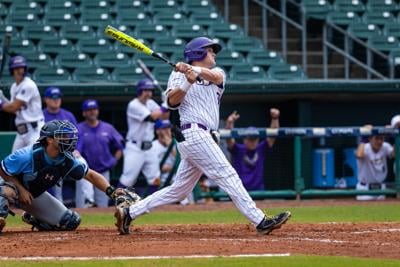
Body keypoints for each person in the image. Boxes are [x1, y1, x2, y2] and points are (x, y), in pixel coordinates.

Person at [114, 36, 291, 235]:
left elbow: (215, 78)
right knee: (228, 174)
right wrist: (187, 83)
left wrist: (194, 71)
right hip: (193, 133)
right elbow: (172, 102)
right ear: (197, 53)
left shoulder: (217, 72)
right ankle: (260, 220)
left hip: (204, 135)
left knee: (179, 190)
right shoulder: (178, 75)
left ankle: (130, 212)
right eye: (210, 50)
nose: (214, 53)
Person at [0, 120, 122, 233]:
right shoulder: (27, 155)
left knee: (70, 221)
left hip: (33, 196)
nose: (67, 139)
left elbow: (90, 175)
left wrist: (112, 191)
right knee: (7, 190)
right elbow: (3, 170)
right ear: (49, 140)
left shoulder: (67, 159)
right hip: (12, 187)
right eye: (61, 136)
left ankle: (35, 217)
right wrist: (21, 190)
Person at [118, 79, 168, 189]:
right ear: (139, 91)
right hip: (135, 148)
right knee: (127, 181)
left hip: (149, 148)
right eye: (145, 90)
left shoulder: (150, 103)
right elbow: (152, 117)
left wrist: (168, 102)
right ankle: (119, 203)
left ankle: (153, 206)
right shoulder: (133, 105)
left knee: (155, 179)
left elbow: (164, 117)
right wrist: (165, 104)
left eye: (150, 91)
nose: (148, 93)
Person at [75, 99, 124, 208]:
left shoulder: (108, 128)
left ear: (98, 111)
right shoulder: (78, 128)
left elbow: (120, 147)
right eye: (89, 110)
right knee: (82, 205)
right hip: (85, 172)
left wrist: (113, 161)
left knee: (103, 206)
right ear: (84, 113)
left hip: (103, 171)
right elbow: (74, 149)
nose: (92, 112)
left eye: (94, 109)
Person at [225, 109, 280, 191]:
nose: (252, 142)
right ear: (244, 139)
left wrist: (275, 118)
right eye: (250, 139)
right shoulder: (238, 149)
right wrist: (230, 123)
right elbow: (229, 138)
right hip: (240, 190)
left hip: (258, 190)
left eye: (254, 139)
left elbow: (273, 135)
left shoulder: (261, 148)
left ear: (258, 139)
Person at [0, 55, 44, 152]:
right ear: (12, 70)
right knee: (14, 161)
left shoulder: (28, 85)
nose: (20, 71)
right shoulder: (14, 87)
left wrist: (0, 103)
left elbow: (13, 107)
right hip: (21, 131)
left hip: (34, 130)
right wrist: (2, 97)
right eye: (17, 68)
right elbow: (13, 108)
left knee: (32, 159)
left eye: (22, 68)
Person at [43, 86, 78, 202]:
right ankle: (57, 209)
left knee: (83, 167)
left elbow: (78, 135)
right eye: (53, 97)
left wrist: (77, 149)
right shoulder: (40, 115)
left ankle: (87, 204)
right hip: (48, 154)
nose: (56, 99)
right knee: (53, 183)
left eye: (58, 97)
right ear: (46, 99)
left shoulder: (68, 115)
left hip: (68, 151)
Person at [356, 125, 395, 200]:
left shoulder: (385, 146)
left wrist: (394, 137)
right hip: (365, 188)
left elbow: (395, 155)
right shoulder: (365, 147)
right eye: (376, 138)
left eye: (381, 138)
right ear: (370, 139)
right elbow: (359, 155)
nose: (379, 141)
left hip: (381, 187)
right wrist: (364, 138)